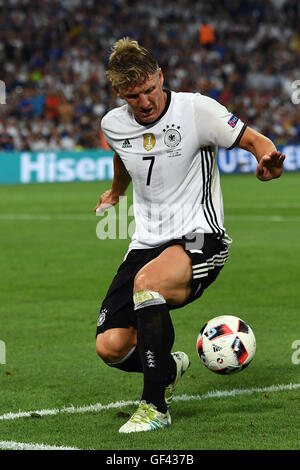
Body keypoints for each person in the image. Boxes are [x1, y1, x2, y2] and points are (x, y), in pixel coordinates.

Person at [94, 38, 285, 434]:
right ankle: (169, 365)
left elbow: (255, 140)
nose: (145, 101)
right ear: (118, 93)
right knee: (110, 347)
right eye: (133, 95)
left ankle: (154, 406)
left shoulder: (197, 110)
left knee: (148, 284)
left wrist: (268, 160)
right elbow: (123, 155)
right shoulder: (113, 125)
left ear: (161, 76)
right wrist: (116, 191)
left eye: (150, 89)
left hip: (201, 238)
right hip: (146, 243)